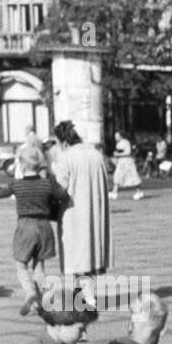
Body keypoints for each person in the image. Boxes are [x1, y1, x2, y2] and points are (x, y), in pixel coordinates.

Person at [0, 144, 67, 316]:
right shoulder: (47, 184)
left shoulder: (17, 184)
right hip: (44, 227)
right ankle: (44, 300)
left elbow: (1, 193)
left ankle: (30, 291)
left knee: (21, 264)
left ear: (22, 164)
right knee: (39, 266)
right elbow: (62, 194)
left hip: (25, 226)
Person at [51, 120, 112, 307]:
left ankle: (82, 298)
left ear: (63, 142)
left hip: (72, 212)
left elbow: (60, 187)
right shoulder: (96, 155)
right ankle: (88, 295)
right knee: (90, 253)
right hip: (95, 211)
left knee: (74, 254)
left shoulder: (66, 157)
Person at [110, 137, 144, 201]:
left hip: (128, 162)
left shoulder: (126, 142)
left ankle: (138, 192)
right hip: (121, 163)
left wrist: (118, 154)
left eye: (117, 135)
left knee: (133, 177)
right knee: (118, 176)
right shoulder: (118, 143)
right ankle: (114, 192)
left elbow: (128, 152)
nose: (116, 137)